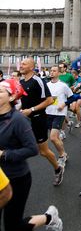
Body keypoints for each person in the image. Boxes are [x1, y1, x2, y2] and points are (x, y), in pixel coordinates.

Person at [0, 78, 63, 230]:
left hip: (16, 178)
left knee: (12, 226)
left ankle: (50, 218)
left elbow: (32, 149)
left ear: (11, 97)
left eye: (0, 91)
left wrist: (4, 154)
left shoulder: (18, 120)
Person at [20, 57, 64, 186]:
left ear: (31, 67)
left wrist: (31, 109)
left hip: (38, 119)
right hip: (24, 121)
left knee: (43, 151)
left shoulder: (38, 80)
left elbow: (49, 100)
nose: (21, 65)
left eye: (24, 63)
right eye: (21, 63)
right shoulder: (21, 82)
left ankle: (57, 169)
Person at [46, 65, 74, 168]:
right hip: (48, 112)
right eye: (51, 70)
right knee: (56, 138)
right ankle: (63, 153)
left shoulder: (63, 85)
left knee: (53, 138)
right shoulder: (46, 85)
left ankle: (62, 155)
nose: (52, 72)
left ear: (58, 73)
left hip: (59, 113)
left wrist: (64, 104)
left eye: (54, 71)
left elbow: (72, 97)